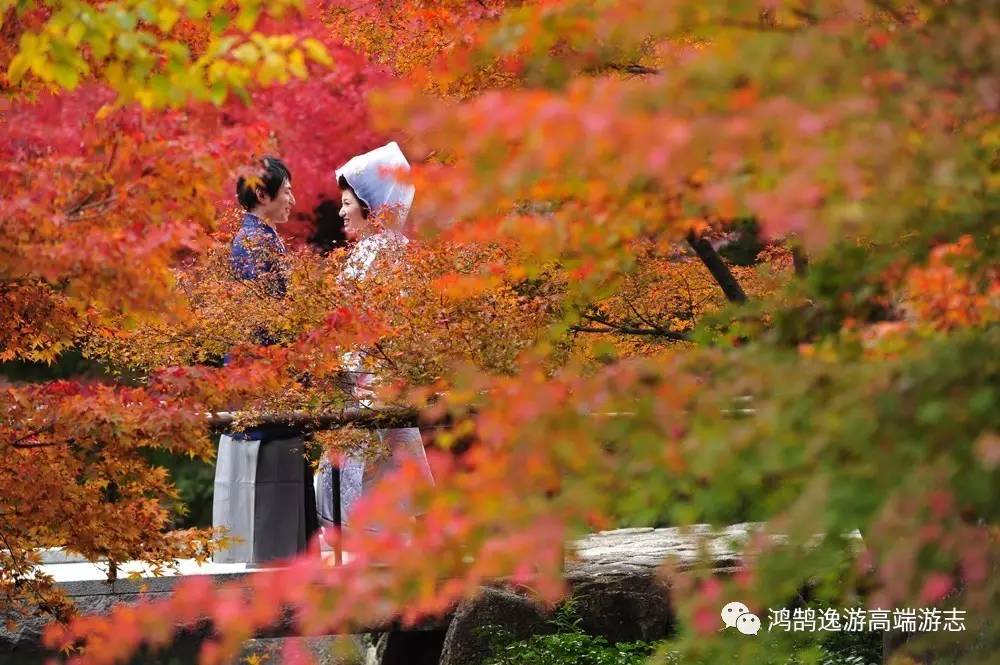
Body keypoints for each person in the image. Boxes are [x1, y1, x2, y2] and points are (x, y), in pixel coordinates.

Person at [314, 142, 434, 537]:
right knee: (393, 465)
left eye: (348, 202)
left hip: (368, 380)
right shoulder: (394, 250)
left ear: (369, 206)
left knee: (349, 471)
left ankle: (357, 551)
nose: (342, 210)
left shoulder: (374, 254)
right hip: (385, 378)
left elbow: (362, 326)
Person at [213, 156, 319, 564]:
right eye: (287, 189)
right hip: (266, 384)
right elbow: (264, 325)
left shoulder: (262, 240)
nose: (293, 197)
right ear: (262, 194)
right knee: (270, 492)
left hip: (270, 382)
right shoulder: (253, 243)